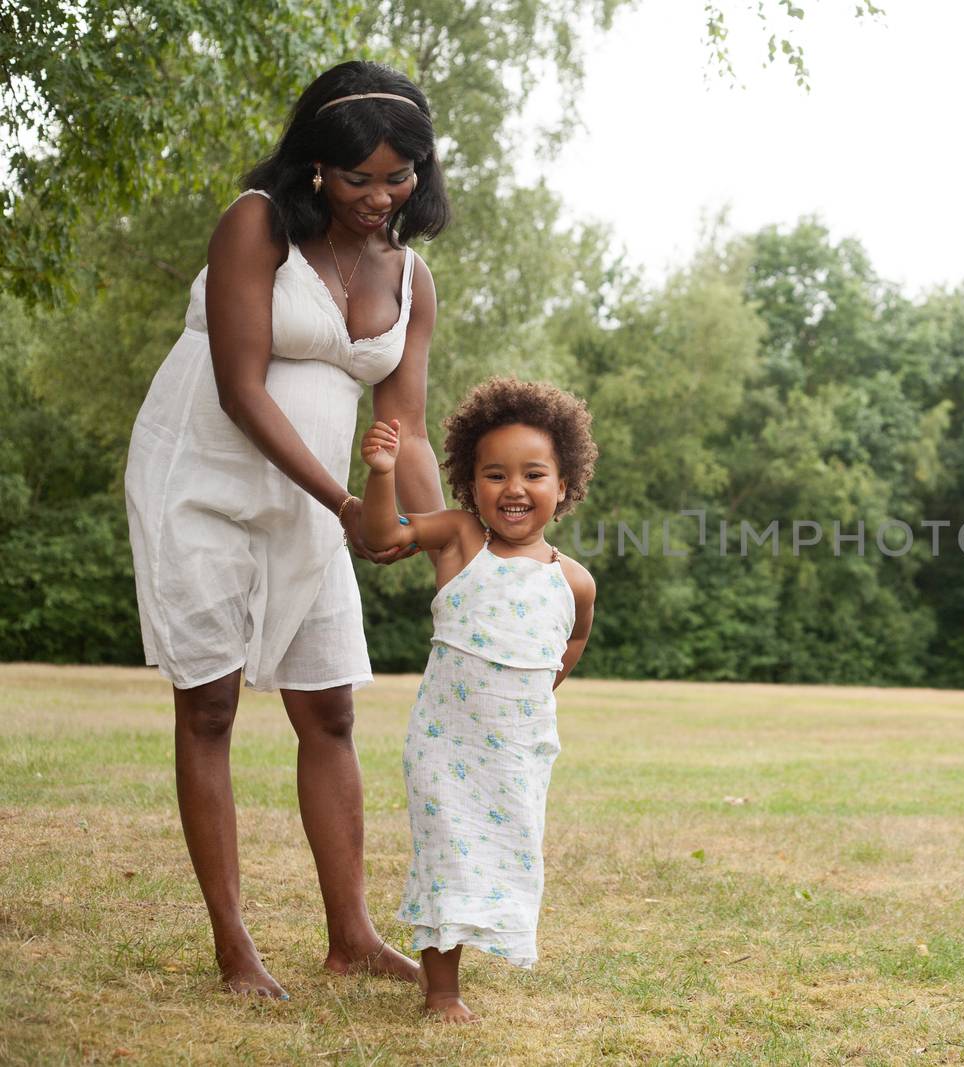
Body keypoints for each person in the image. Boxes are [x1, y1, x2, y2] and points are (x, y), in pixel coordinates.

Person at [123, 60, 450, 999]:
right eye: (359, 179)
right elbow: (239, 388)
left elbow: (410, 430)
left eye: (401, 177)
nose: (381, 198)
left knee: (331, 707)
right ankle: (236, 947)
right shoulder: (256, 224)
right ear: (315, 168)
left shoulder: (411, 276)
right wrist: (346, 504)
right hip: (207, 477)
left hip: (310, 504)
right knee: (212, 704)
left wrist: (446, 552)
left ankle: (349, 934)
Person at [358, 377, 598, 1022]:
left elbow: (569, 642)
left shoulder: (574, 580)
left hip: (517, 752)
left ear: (565, 485)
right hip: (446, 745)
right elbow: (382, 534)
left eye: (533, 474)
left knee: (505, 853)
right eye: (495, 474)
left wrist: (533, 691)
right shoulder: (462, 538)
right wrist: (382, 474)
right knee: (449, 854)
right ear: (471, 482)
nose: (513, 488)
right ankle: (442, 992)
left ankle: (483, 945)